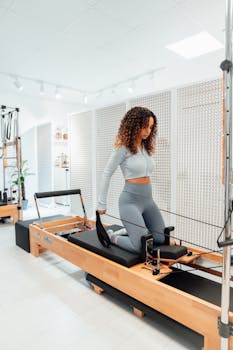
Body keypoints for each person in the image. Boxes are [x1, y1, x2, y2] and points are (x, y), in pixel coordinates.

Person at [97, 106, 165, 254]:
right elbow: (107, 173)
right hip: (130, 202)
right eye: (145, 126)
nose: (148, 131)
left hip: (148, 201)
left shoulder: (145, 147)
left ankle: (131, 231)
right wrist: (101, 203)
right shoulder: (123, 148)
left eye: (151, 127)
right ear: (135, 125)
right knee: (140, 246)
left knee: (161, 238)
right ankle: (113, 237)